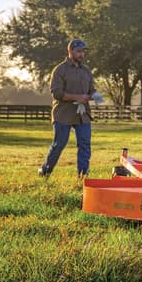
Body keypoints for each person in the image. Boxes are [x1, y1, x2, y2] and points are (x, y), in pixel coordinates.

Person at [38, 39, 97, 178]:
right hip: (63, 114)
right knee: (59, 144)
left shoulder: (86, 71)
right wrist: (77, 97)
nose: (82, 54)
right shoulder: (60, 70)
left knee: (84, 144)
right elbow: (57, 93)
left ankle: (82, 175)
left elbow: (91, 90)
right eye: (79, 51)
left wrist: (95, 96)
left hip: (82, 114)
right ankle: (45, 171)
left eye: (83, 52)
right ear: (70, 51)